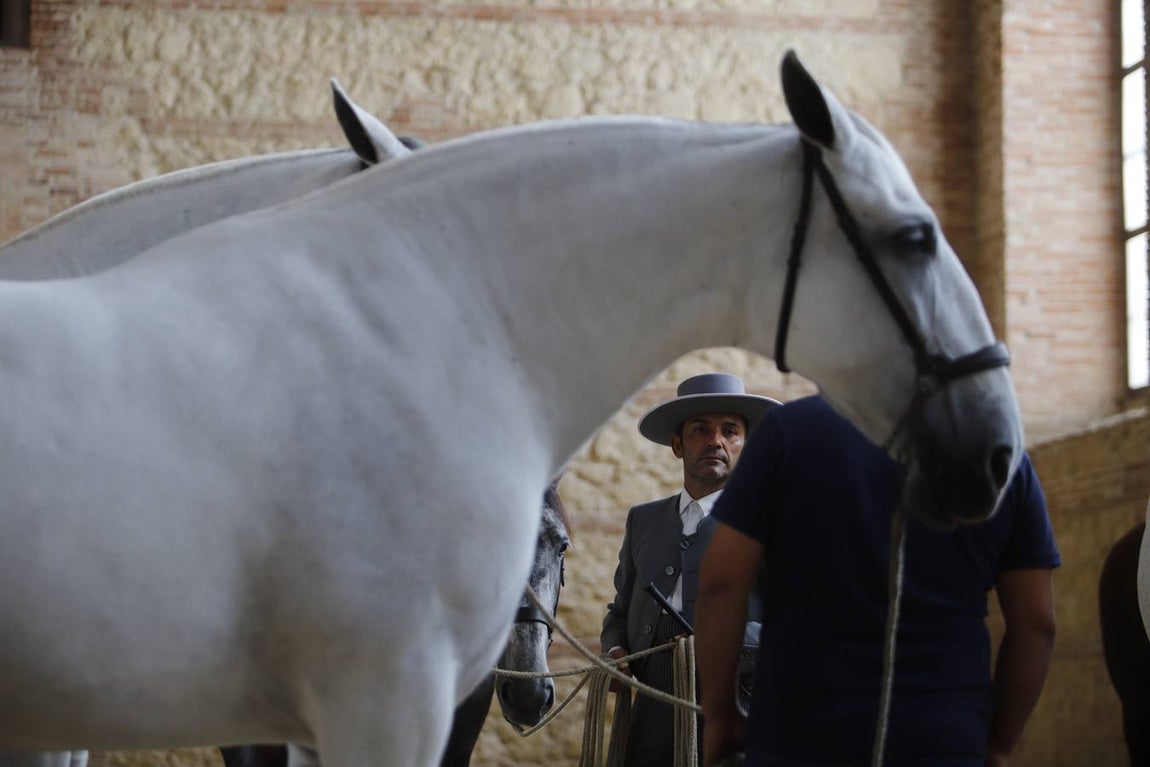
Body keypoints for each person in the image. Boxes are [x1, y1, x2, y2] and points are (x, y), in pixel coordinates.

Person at [696, 395, 1060, 767]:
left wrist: (720, 716)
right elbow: (1036, 625)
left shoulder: (787, 431)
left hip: (797, 739)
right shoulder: (997, 451)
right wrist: (998, 742)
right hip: (945, 738)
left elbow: (721, 584)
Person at [601, 372, 779, 767]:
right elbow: (620, 612)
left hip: (740, 708)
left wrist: (726, 642)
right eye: (701, 430)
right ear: (679, 446)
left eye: (729, 431)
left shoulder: (773, 521)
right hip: (653, 707)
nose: (715, 440)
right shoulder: (643, 521)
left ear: (745, 446)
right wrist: (615, 650)